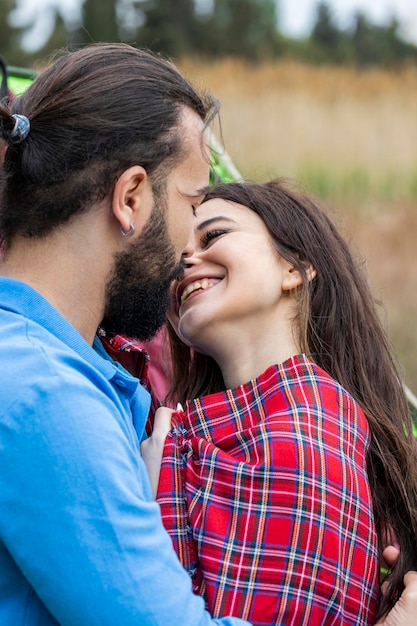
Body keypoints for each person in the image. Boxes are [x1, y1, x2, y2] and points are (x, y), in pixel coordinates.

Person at [0, 42, 253, 626]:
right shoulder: (47, 397)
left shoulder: (58, 367)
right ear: (131, 198)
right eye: (193, 204)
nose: (192, 247)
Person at [143, 180, 417, 625]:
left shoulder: (308, 429)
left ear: (296, 267)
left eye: (213, 236)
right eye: (177, 253)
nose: (185, 261)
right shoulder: (203, 430)